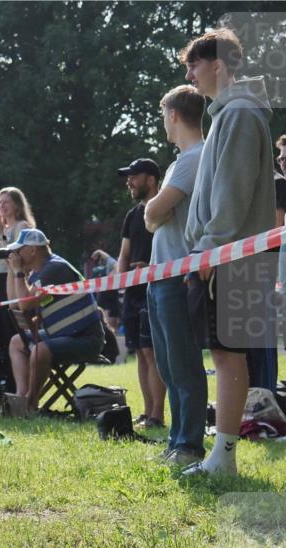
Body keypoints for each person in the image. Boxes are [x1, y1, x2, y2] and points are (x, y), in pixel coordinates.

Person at [180, 28, 277, 476]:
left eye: (194, 65)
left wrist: (207, 250)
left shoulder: (238, 113)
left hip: (230, 259)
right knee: (224, 355)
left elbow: (231, 196)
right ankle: (222, 455)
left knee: (228, 355)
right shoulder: (229, 114)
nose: (190, 75)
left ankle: (224, 459)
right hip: (225, 256)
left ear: (217, 65)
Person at [143, 84, 208, 467]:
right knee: (168, 366)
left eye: (162, 115)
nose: (162, 123)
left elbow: (153, 213)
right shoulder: (178, 162)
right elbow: (152, 218)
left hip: (178, 275)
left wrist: (156, 209)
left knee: (183, 364)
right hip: (161, 274)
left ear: (173, 115)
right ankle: (176, 442)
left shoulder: (194, 158)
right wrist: (157, 210)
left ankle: (189, 446)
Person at [6, 229, 104, 405]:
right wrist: (13, 271)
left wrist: (19, 271)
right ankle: (20, 398)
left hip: (86, 337)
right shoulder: (39, 272)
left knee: (40, 350)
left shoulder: (55, 268)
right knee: (16, 343)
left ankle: (30, 402)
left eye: (19, 250)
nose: (16, 255)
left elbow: (25, 304)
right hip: (63, 334)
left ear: (32, 250)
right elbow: (15, 303)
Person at [117, 157, 165, 428]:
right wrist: (120, 281)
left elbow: (172, 248)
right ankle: (147, 412)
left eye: (134, 176)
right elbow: (124, 254)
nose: (129, 182)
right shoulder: (132, 215)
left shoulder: (165, 209)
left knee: (151, 352)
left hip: (156, 288)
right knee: (139, 350)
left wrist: (150, 268)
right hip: (132, 293)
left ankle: (158, 414)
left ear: (151, 179)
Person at [0, 187, 36, 351]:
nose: (2, 206)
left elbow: (15, 256)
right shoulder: (4, 229)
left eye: (6, 202)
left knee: (10, 326)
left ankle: (13, 360)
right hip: (0, 282)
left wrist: (0, 235)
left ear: (17, 205)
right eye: (0, 202)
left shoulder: (22, 226)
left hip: (13, 281)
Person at [88, 249, 121, 332]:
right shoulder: (107, 272)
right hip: (106, 296)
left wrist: (100, 252)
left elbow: (115, 264)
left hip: (109, 296)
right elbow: (115, 264)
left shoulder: (111, 270)